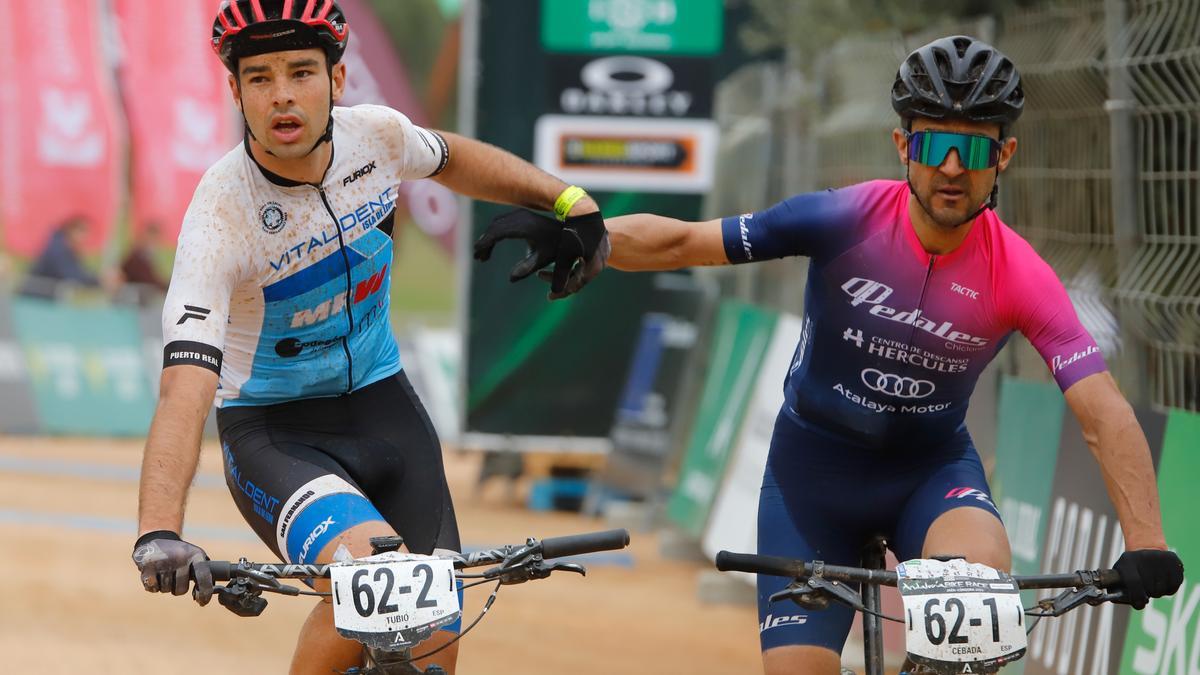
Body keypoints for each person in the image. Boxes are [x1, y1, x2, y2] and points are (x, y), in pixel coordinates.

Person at [475, 35, 1184, 674]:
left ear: (1004, 156)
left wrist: (1146, 540)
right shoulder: (844, 219)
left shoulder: (1020, 273)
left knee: (979, 601)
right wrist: (587, 239)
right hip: (811, 473)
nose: (951, 169)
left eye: (973, 150)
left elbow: (1102, 410)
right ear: (903, 147)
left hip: (929, 474)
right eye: (935, 145)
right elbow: (686, 241)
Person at [130, 2, 605, 674]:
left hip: (385, 407)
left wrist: (566, 200)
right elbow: (185, 382)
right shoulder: (220, 216)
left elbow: (450, 157)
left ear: (339, 78)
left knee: (437, 631)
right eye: (260, 78)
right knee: (377, 579)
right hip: (276, 432)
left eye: (301, 72)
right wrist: (158, 530)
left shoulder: (376, 139)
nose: (283, 95)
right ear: (235, 91)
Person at [19, 217, 121, 299]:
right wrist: (100, 281)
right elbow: (73, 275)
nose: (84, 238)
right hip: (33, 299)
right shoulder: (58, 249)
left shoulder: (63, 247)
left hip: (41, 299)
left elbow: (79, 272)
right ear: (71, 230)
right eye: (82, 231)